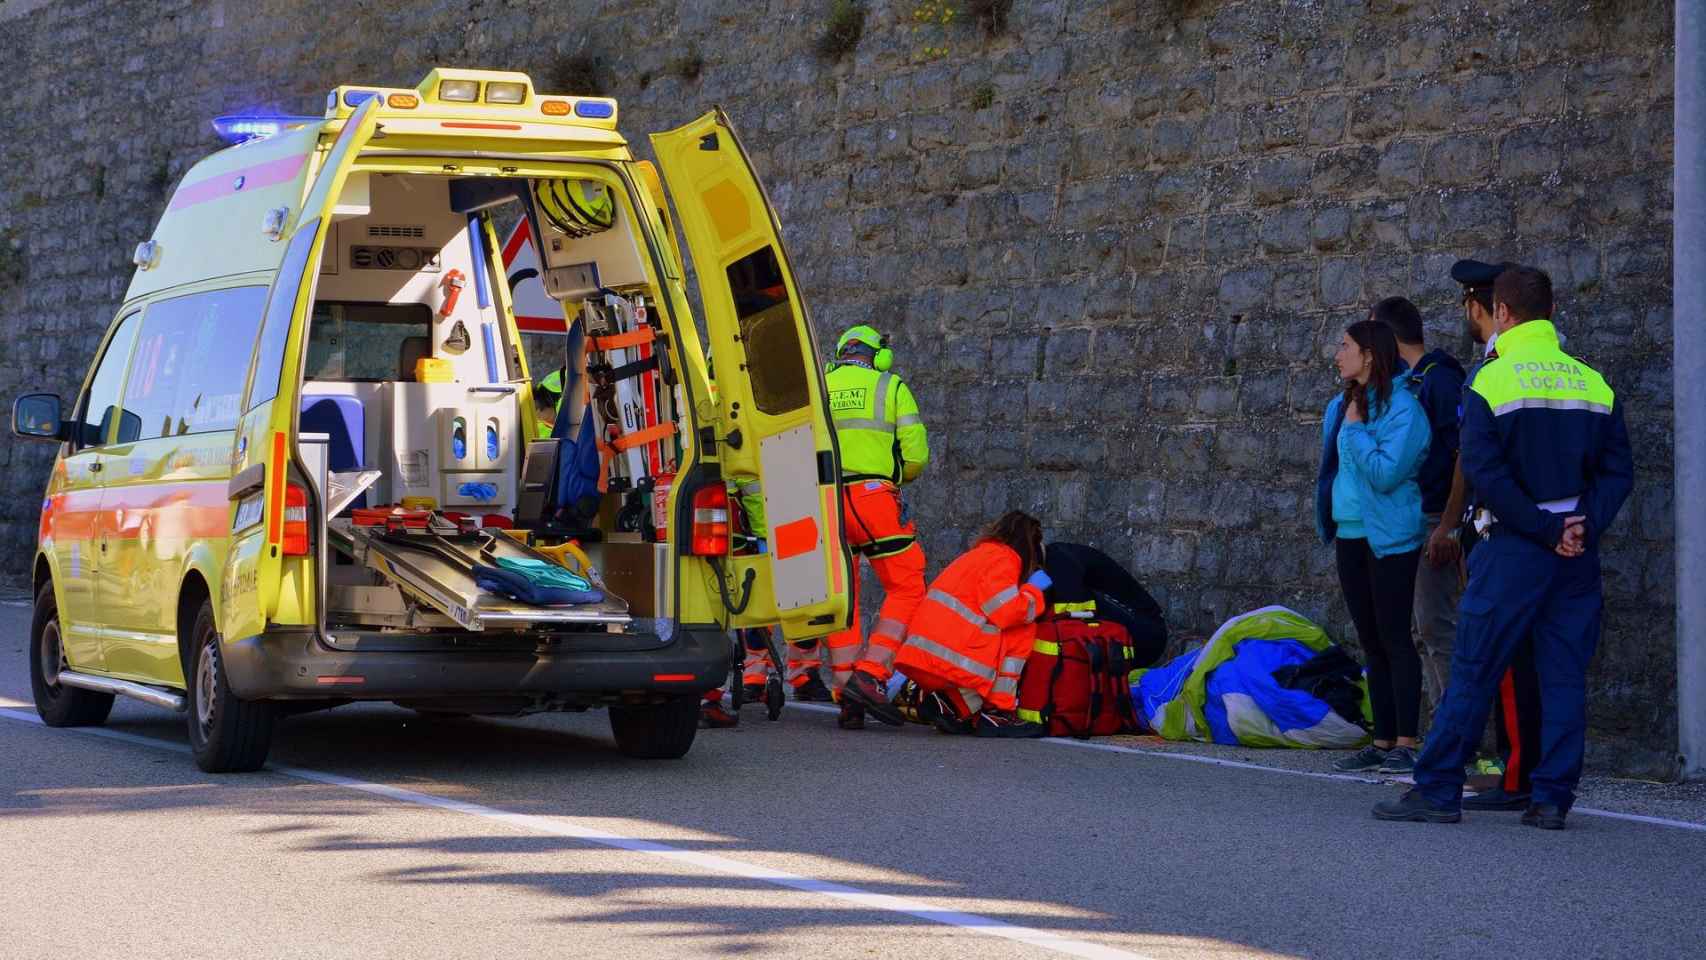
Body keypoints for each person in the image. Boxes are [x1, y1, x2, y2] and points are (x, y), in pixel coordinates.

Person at [1375, 265, 1633, 829]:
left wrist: (1542, 530)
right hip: (1576, 552)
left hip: (1515, 547)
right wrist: (1580, 525)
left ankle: (1438, 789)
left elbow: (1486, 474)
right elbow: (1618, 473)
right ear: (1551, 312)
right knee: (1563, 674)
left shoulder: (1490, 381)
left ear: (1505, 313)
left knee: (1474, 667)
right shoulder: (1592, 381)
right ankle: (1550, 800)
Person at [1448, 259, 1546, 811]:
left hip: (1505, 530)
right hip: (1544, 528)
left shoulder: (1493, 370)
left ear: (1480, 307)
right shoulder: (1552, 365)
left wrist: (1455, 527)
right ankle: (1525, 770)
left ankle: (1515, 775)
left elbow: (1477, 461)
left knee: (1506, 660)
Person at [1315, 319, 1432, 775]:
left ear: (1369, 355)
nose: (1337, 354)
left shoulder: (1404, 409)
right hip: (1349, 534)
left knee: (1395, 637)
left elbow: (1386, 474)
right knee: (1370, 640)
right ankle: (1381, 740)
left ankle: (1406, 740)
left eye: (1345, 346)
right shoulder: (1341, 405)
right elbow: (1331, 471)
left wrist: (1358, 430)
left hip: (1390, 537)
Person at [843, 511, 1051, 737]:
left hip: (921, 660)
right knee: (1023, 627)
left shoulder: (977, 556)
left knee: (996, 632)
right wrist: (1033, 591)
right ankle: (998, 713)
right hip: (947, 664)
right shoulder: (1005, 559)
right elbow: (1007, 612)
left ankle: (951, 706)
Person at [819, 325, 930, 730]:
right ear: (878, 355)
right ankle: (871, 673)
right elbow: (915, 456)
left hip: (825, 501)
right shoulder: (891, 386)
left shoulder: (821, 385)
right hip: (872, 499)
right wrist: (895, 474)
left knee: (842, 593)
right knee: (907, 585)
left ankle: (846, 687)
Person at [1371, 296, 1467, 716]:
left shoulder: (1440, 382)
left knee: (1436, 627)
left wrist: (1448, 526)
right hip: (1406, 521)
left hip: (1433, 520)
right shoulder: (1401, 386)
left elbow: (1464, 456)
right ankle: (1441, 727)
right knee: (1416, 629)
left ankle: (1461, 738)